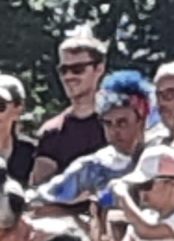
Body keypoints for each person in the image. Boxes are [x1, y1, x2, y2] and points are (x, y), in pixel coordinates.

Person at [34, 30, 114, 170]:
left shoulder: (117, 124)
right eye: (63, 70)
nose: (68, 77)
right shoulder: (52, 132)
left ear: (99, 69)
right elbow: (41, 181)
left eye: (77, 69)